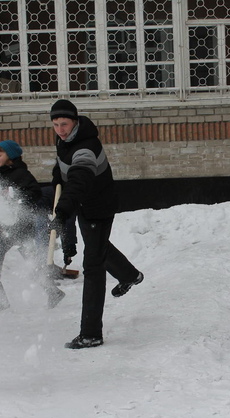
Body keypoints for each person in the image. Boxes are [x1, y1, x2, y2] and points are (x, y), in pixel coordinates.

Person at [48, 99, 144, 349]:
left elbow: (79, 178)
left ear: (75, 122)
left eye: (64, 124)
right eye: (56, 124)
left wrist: (64, 209)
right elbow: (65, 168)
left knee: (93, 265)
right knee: (97, 246)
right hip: (85, 204)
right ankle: (130, 275)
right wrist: (58, 175)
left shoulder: (85, 148)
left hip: (98, 208)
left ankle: (91, 333)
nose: (60, 129)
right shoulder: (66, 140)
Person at [0, 140, 65, 307]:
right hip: (8, 223)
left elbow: (35, 193)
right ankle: (52, 291)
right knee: (28, 260)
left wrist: (16, 197)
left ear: (10, 156)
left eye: (0, 155)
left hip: (19, 224)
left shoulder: (21, 174)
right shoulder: (1, 175)